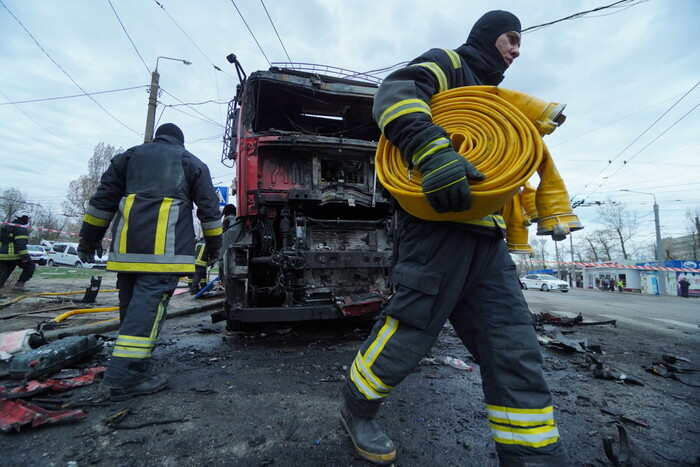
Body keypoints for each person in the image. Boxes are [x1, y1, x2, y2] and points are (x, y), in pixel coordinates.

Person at [338, 11, 569, 466]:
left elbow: (519, 158)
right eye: (511, 38)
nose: (517, 50)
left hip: (489, 242)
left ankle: (533, 456)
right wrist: (431, 148)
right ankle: (355, 409)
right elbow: (396, 91)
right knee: (408, 335)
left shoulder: (498, 101)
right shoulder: (449, 63)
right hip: (437, 230)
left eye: (520, 43)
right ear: (487, 36)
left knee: (514, 347)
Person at [77, 123, 222, 401]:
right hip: (164, 254)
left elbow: (102, 201)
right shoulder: (192, 162)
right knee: (146, 310)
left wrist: (89, 239)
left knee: (132, 308)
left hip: (127, 250)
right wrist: (215, 247)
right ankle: (126, 377)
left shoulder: (128, 157)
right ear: (180, 141)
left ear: (157, 137)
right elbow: (209, 212)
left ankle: (126, 363)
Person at [0, 210, 36, 297]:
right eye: (28, 218)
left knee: (4, 272)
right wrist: (25, 257)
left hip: (3, 254)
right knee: (30, 266)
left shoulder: (7, 225)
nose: (28, 220)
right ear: (24, 218)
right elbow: (20, 244)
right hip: (13, 254)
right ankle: (19, 285)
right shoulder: (21, 228)